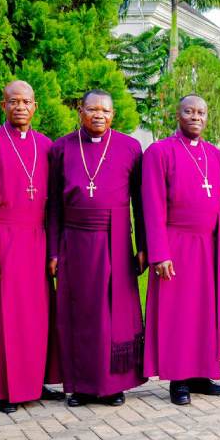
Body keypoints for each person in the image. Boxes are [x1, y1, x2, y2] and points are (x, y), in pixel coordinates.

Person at [0, 80, 63, 413]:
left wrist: (54, 251)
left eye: (26, 101)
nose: (20, 107)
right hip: (2, 242)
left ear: (35, 106)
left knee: (37, 317)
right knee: (4, 319)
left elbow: (53, 206)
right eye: (13, 101)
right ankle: (5, 389)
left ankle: (35, 381)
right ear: (3, 105)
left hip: (36, 242)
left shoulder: (47, 146)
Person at [48, 89, 147, 407]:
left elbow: (140, 203)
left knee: (112, 313)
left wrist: (143, 246)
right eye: (92, 109)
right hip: (75, 241)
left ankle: (112, 385)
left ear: (113, 114)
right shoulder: (61, 148)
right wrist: (52, 250)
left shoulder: (130, 147)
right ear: (81, 111)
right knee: (80, 314)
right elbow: (52, 208)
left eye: (105, 110)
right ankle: (80, 386)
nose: (98, 115)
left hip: (116, 237)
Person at [142, 95, 220, 405]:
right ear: (177, 115)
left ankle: (200, 374)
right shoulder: (159, 152)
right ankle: (178, 379)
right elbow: (151, 207)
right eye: (189, 111)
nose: (195, 117)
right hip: (176, 243)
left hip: (208, 245)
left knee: (205, 312)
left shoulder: (214, 154)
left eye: (201, 112)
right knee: (178, 313)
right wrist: (159, 252)